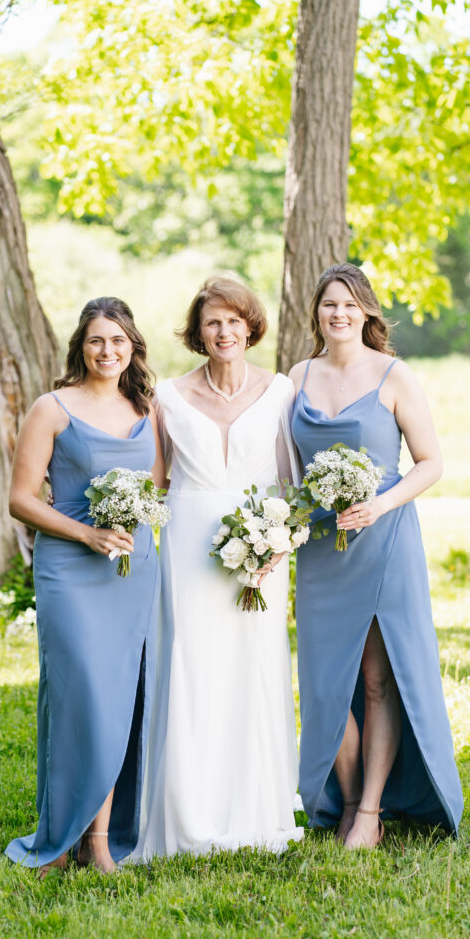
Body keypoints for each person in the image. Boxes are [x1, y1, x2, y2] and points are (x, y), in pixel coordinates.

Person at [289, 263, 463, 849]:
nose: (338, 314)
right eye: (328, 305)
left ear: (367, 311)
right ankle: (343, 790)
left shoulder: (394, 375)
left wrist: (381, 504)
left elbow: (430, 462)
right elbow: (282, 467)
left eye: (349, 304)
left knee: (375, 681)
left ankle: (367, 811)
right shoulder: (296, 376)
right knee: (322, 681)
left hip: (383, 541)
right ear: (316, 313)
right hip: (319, 547)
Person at [136, 275, 303, 858]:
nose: (224, 331)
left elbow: (291, 481)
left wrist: (281, 539)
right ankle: (186, 812)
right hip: (186, 547)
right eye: (213, 322)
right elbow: (154, 484)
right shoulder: (171, 398)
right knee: (190, 665)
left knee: (253, 667)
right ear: (198, 333)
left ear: (250, 326)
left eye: (234, 321)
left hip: (263, 552)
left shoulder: (282, 391)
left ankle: (255, 809)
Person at [5, 297, 164, 875]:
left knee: (122, 698)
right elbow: (20, 499)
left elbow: (160, 487)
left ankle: (99, 839)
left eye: (118, 341)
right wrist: (86, 533)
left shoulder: (149, 409)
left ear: (133, 348)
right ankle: (59, 835)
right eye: (97, 340)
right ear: (81, 345)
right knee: (79, 699)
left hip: (132, 567)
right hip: (70, 569)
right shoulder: (52, 408)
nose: (108, 351)